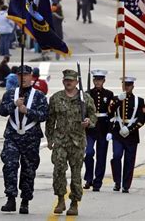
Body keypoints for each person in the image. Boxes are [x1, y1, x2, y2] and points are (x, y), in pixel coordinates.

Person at [0, 65, 49, 214]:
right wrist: (14, 105)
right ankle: (10, 198)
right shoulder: (10, 94)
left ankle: (25, 201)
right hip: (12, 136)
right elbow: (1, 111)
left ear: (31, 76)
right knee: (9, 165)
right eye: (20, 75)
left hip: (31, 137)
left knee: (28, 170)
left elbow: (44, 115)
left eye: (26, 75)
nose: (23, 78)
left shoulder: (39, 95)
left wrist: (27, 111)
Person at [47, 69, 96, 216]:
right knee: (59, 171)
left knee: (76, 174)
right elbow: (50, 120)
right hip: (61, 140)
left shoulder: (85, 99)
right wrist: (49, 139)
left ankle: (74, 202)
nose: (69, 82)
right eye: (66, 80)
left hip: (77, 141)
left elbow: (93, 116)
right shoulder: (56, 98)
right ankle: (60, 199)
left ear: (77, 82)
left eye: (71, 80)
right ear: (63, 81)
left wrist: (89, 122)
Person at [108, 76, 145, 193]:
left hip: (132, 134)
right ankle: (117, 182)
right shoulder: (116, 98)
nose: (127, 87)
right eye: (125, 85)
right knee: (117, 156)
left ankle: (126, 185)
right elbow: (110, 111)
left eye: (129, 85)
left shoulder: (139, 101)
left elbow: (141, 119)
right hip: (118, 132)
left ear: (133, 86)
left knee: (129, 160)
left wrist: (130, 129)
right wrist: (119, 100)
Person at [84, 70, 114, 191]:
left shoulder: (109, 94)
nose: (98, 82)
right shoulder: (87, 93)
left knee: (101, 156)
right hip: (90, 128)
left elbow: (111, 114)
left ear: (103, 81)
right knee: (89, 153)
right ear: (93, 81)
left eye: (100, 80)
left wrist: (110, 131)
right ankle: (88, 178)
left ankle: (98, 182)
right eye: (96, 80)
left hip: (103, 127)